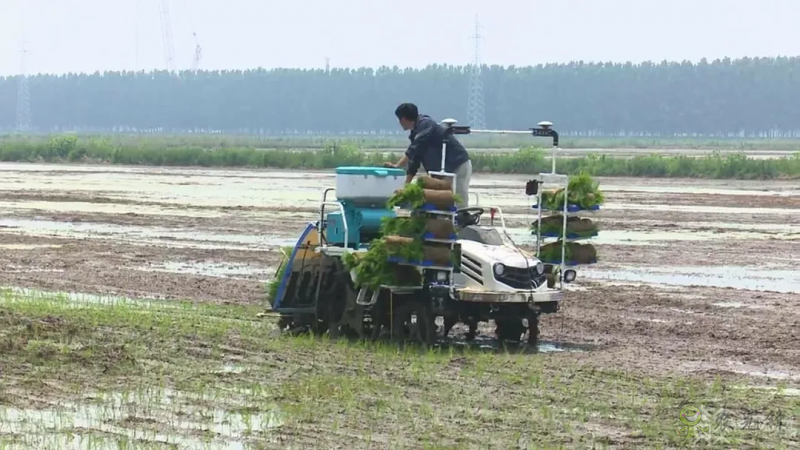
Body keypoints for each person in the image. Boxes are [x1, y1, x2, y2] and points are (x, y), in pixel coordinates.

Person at [385, 103, 472, 208]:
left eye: (399, 119)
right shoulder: (415, 133)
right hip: (443, 171)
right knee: (442, 201)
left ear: (403, 119)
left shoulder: (426, 124)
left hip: (457, 165)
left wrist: (397, 165)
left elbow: (414, 148)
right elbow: (414, 161)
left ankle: (462, 216)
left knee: (458, 198)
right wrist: (406, 187)